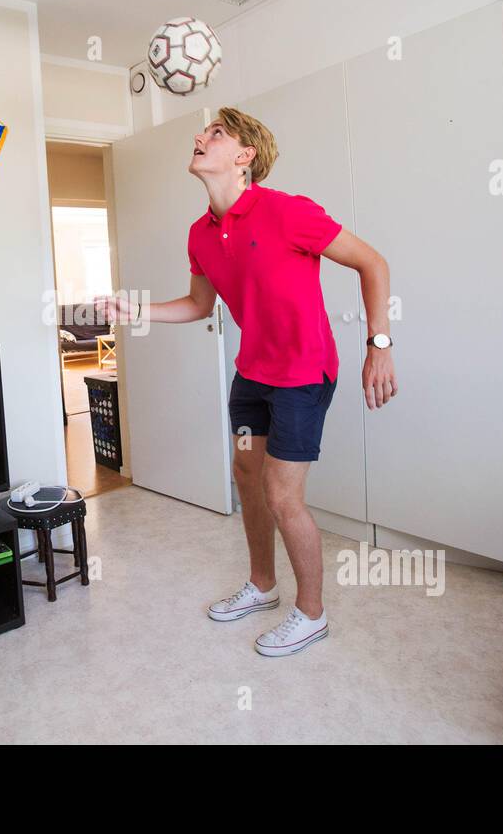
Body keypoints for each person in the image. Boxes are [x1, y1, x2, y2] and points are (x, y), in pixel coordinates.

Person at [95, 107, 397, 657]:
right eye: (203, 131)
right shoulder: (200, 234)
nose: (199, 137)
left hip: (304, 376)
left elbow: (372, 263)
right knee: (246, 475)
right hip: (252, 376)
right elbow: (196, 304)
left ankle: (312, 614)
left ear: (244, 156)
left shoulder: (289, 212)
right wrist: (134, 308)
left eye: (215, 133)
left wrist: (378, 345)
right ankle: (262, 585)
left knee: (284, 497)